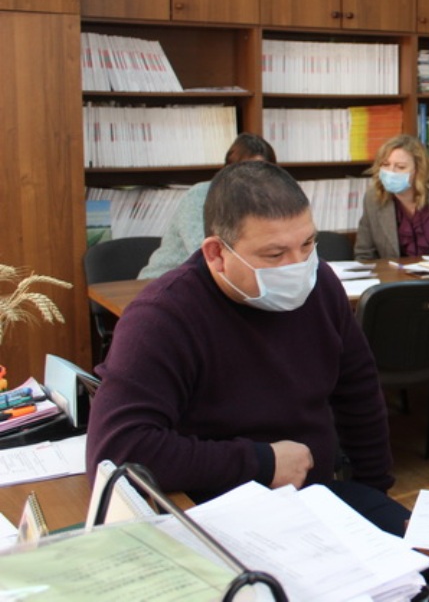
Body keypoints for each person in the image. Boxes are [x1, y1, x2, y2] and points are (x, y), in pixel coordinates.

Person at [87, 160, 409, 535]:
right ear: (216, 254)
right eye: (274, 255)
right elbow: (117, 452)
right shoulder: (163, 317)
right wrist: (261, 462)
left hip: (314, 499)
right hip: (213, 513)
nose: (298, 266)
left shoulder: (320, 282)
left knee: (422, 558)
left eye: (307, 244)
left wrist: (372, 493)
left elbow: (358, 390)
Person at [138, 133, 277, 279]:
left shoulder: (263, 201)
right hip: (165, 281)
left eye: (263, 172)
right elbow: (203, 252)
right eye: (247, 171)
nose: (255, 179)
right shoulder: (200, 195)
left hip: (219, 280)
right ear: (228, 170)